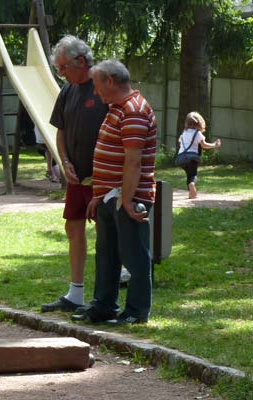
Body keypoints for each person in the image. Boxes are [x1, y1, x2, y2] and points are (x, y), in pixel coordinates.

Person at [72, 59, 158, 326]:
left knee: (134, 255)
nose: (96, 92)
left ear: (110, 81)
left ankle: (136, 312)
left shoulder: (134, 110)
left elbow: (133, 161)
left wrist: (128, 201)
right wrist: (99, 194)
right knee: (107, 254)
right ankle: (104, 305)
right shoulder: (116, 108)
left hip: (127, 197)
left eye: (97, 86)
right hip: (111, 196)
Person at [40, 36, 109, 313]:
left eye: (63, 67)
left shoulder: (104, 84)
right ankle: (75, 294)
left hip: (103, 177)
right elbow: (61, 131)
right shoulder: (67, 90)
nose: (61, 73)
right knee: (73, 228)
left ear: (81, 61)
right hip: (76, 177)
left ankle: (106, 295)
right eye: (58, 69)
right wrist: (64, 161)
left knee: (107, 232)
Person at [177, 111, 221, 199]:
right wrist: (214, 145)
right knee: (193, 175)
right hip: (192, 158)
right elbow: (204, 145)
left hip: (181, 158)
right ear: (199, 123)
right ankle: (192, 185)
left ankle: (191, 194)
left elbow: (180, 142)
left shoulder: (184, 133)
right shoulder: (197, 133)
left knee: (189, 175)